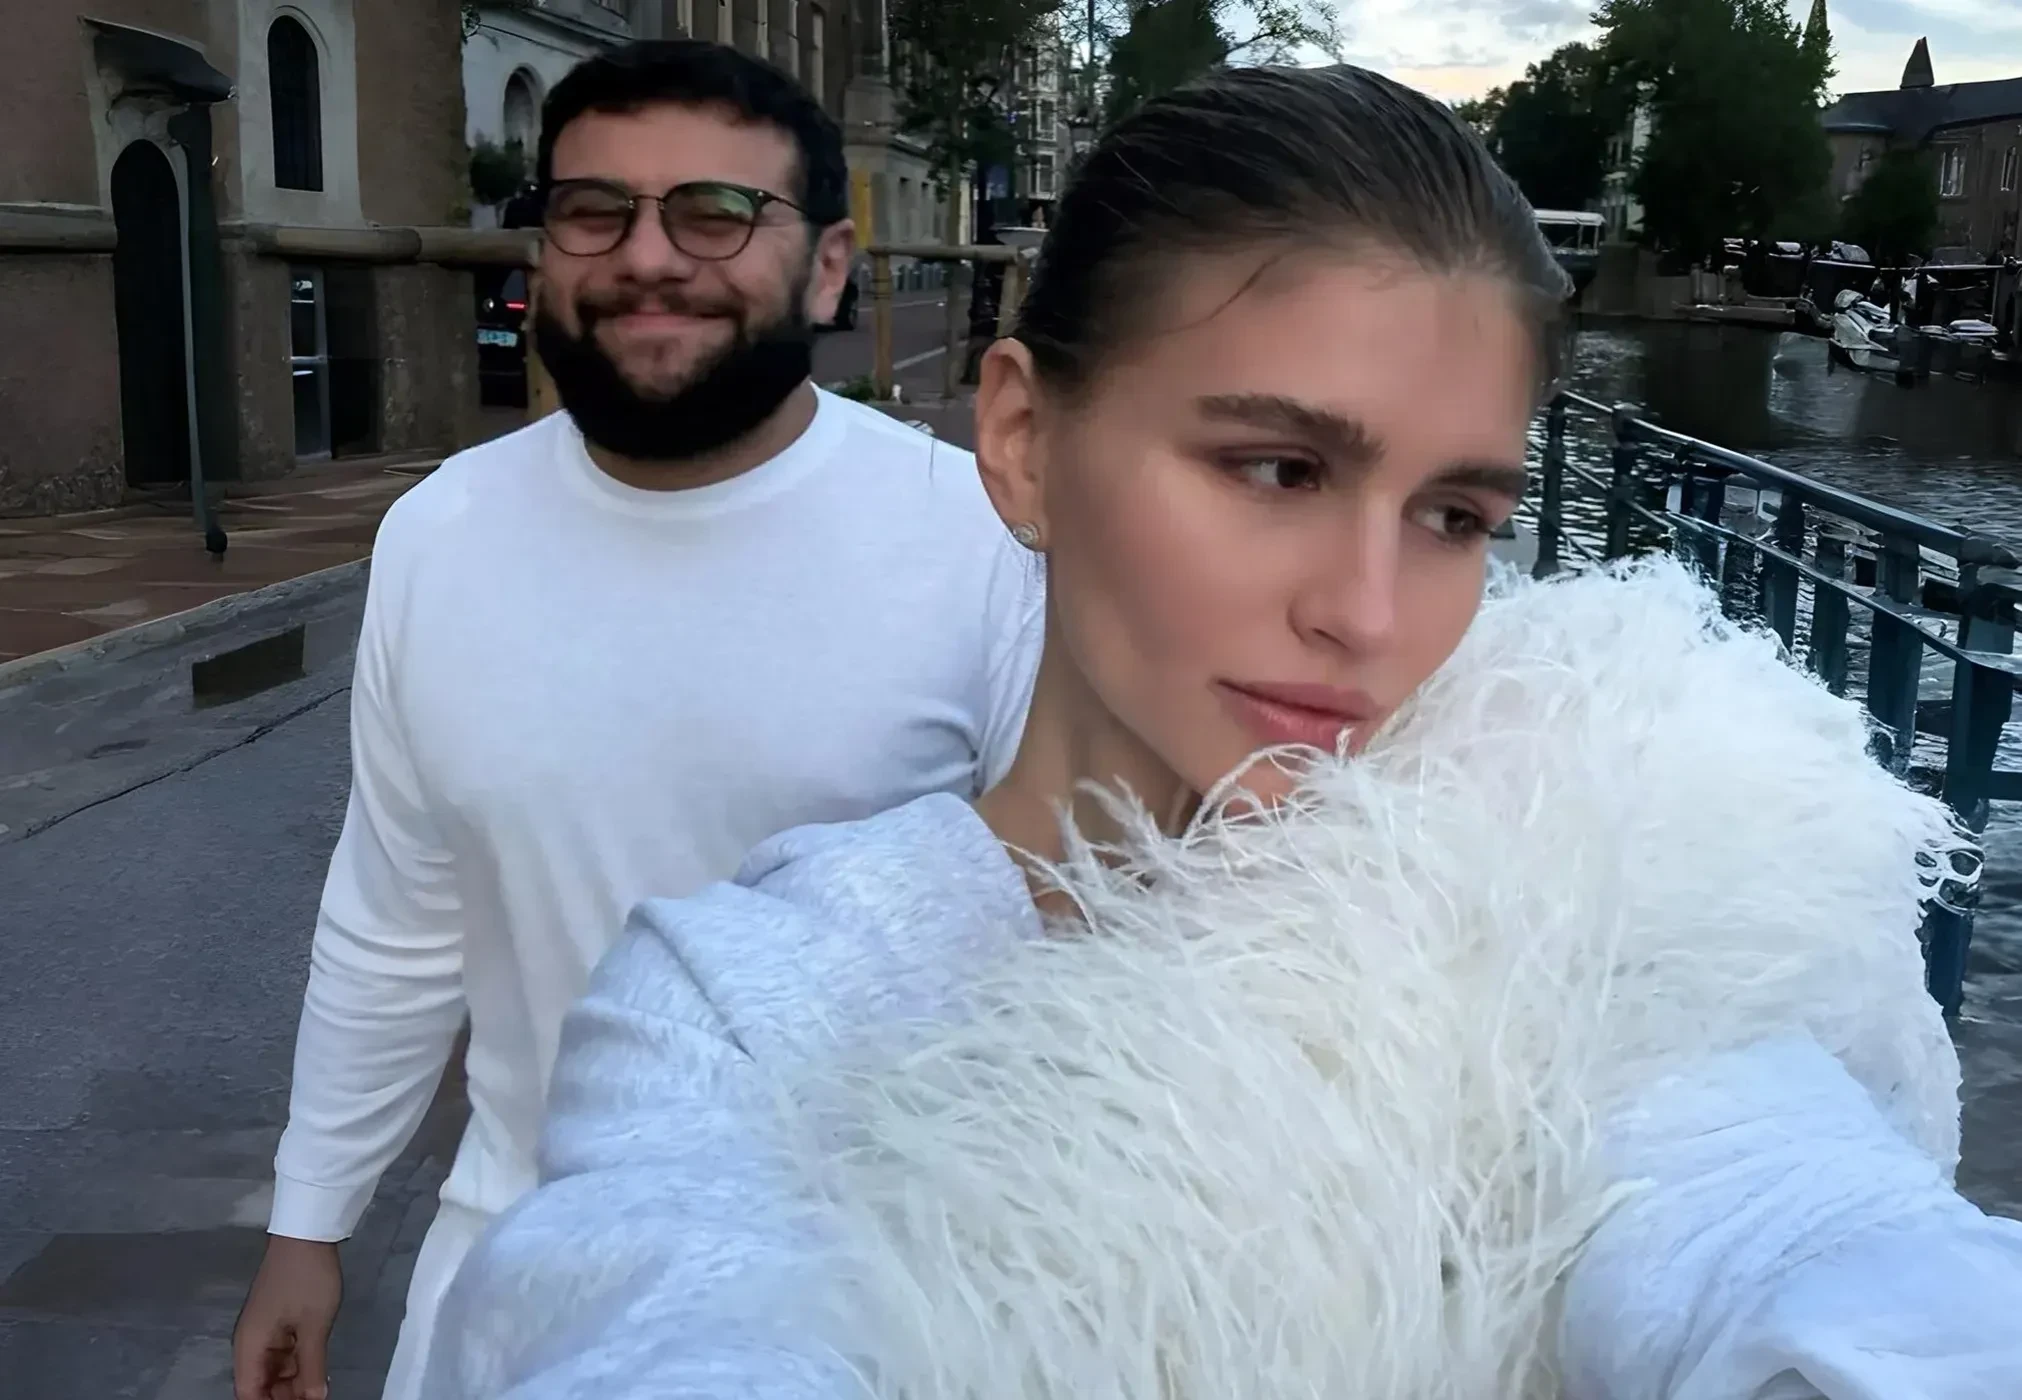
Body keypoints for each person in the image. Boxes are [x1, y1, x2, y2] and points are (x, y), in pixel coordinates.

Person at [428, 64, 2022, 1399]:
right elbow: (662, 1309)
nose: (1367, 614)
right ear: (1020, 438)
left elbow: (1796, 1227)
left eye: (1455, 515)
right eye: (1277, 470)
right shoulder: (745, 1007)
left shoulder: (1554, 891)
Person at [230, 39, 1042, 1400]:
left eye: (716, 213)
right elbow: (399, 918)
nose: (648, 257)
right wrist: (309, 1226)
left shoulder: (977, 544)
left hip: (872, 1303)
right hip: (505, 1276)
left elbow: (1060, 954)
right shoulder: (438, 536)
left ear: (827, 267)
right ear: (543, 253)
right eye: (594, 210)